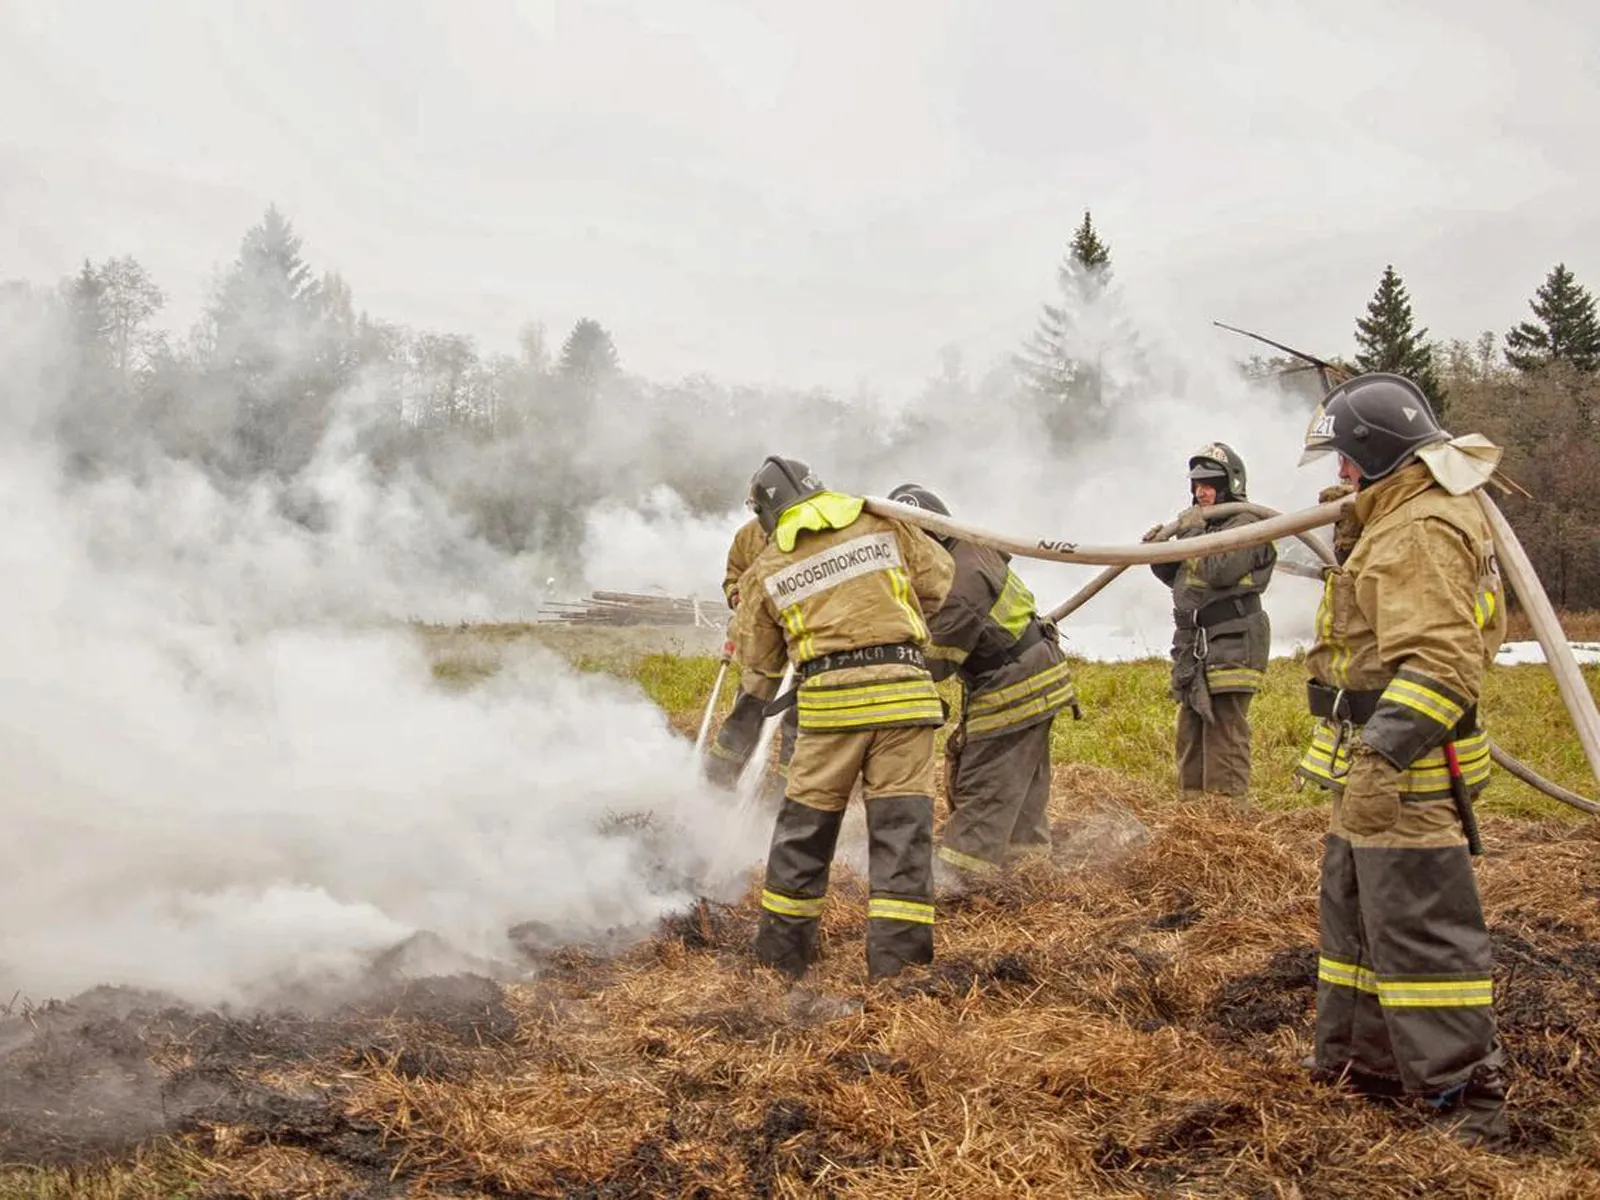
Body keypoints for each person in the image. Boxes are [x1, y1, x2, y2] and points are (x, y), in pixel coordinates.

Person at [1296, 372, 1509, 1148]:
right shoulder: (1394, 517)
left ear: (1377, 457)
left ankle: (1465, 1098)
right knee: (1358, 922)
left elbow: (1443, 664)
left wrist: (1383, 756)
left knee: (1419, 931)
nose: (1338, 478)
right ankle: (1366, 1068)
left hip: (1407, 769)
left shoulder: (1417, 528)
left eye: (1346, 463)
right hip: (1375, 763)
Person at [735, 456, 954, 980]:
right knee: (902, 834)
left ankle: (781, 963)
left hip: (830, 711)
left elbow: (759, 665)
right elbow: (939, 582)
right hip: (905, 699)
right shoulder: (883, 521)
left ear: (767, 511)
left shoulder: (765, 568)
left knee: (803, 835)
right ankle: (898, 973)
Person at [886, 483, 1078, 887]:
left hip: (1014, 685)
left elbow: (936, 663)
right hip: (1031, 675)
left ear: (927, 538)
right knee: (1021, 788)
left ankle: (961, 879)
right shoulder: (968, 551)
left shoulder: (960, 580)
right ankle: (1026, 873)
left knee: (985, 780)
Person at [1145, 442, 1276, 800]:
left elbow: (1219, 570)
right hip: (1197, 643)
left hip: (1234, 638)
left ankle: (1226, 824)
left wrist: (1188, 534)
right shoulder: (1202, 528)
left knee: (1223, 733)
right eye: (1196, 484)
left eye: (1209, 483)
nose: (1201, 491)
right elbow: (1183, 581)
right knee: (1190, 732)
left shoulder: (1247, 524)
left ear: (1230, 484)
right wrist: (1158, 552)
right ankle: (1192, 821)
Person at [702, 517, 796, 792]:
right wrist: (737, 596)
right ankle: (715, 783)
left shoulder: (808, 530)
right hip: (761, 647)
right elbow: (733, 578)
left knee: (798, 727)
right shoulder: (747, 536)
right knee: (746, 714)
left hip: (799, 646)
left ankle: (785, 797)